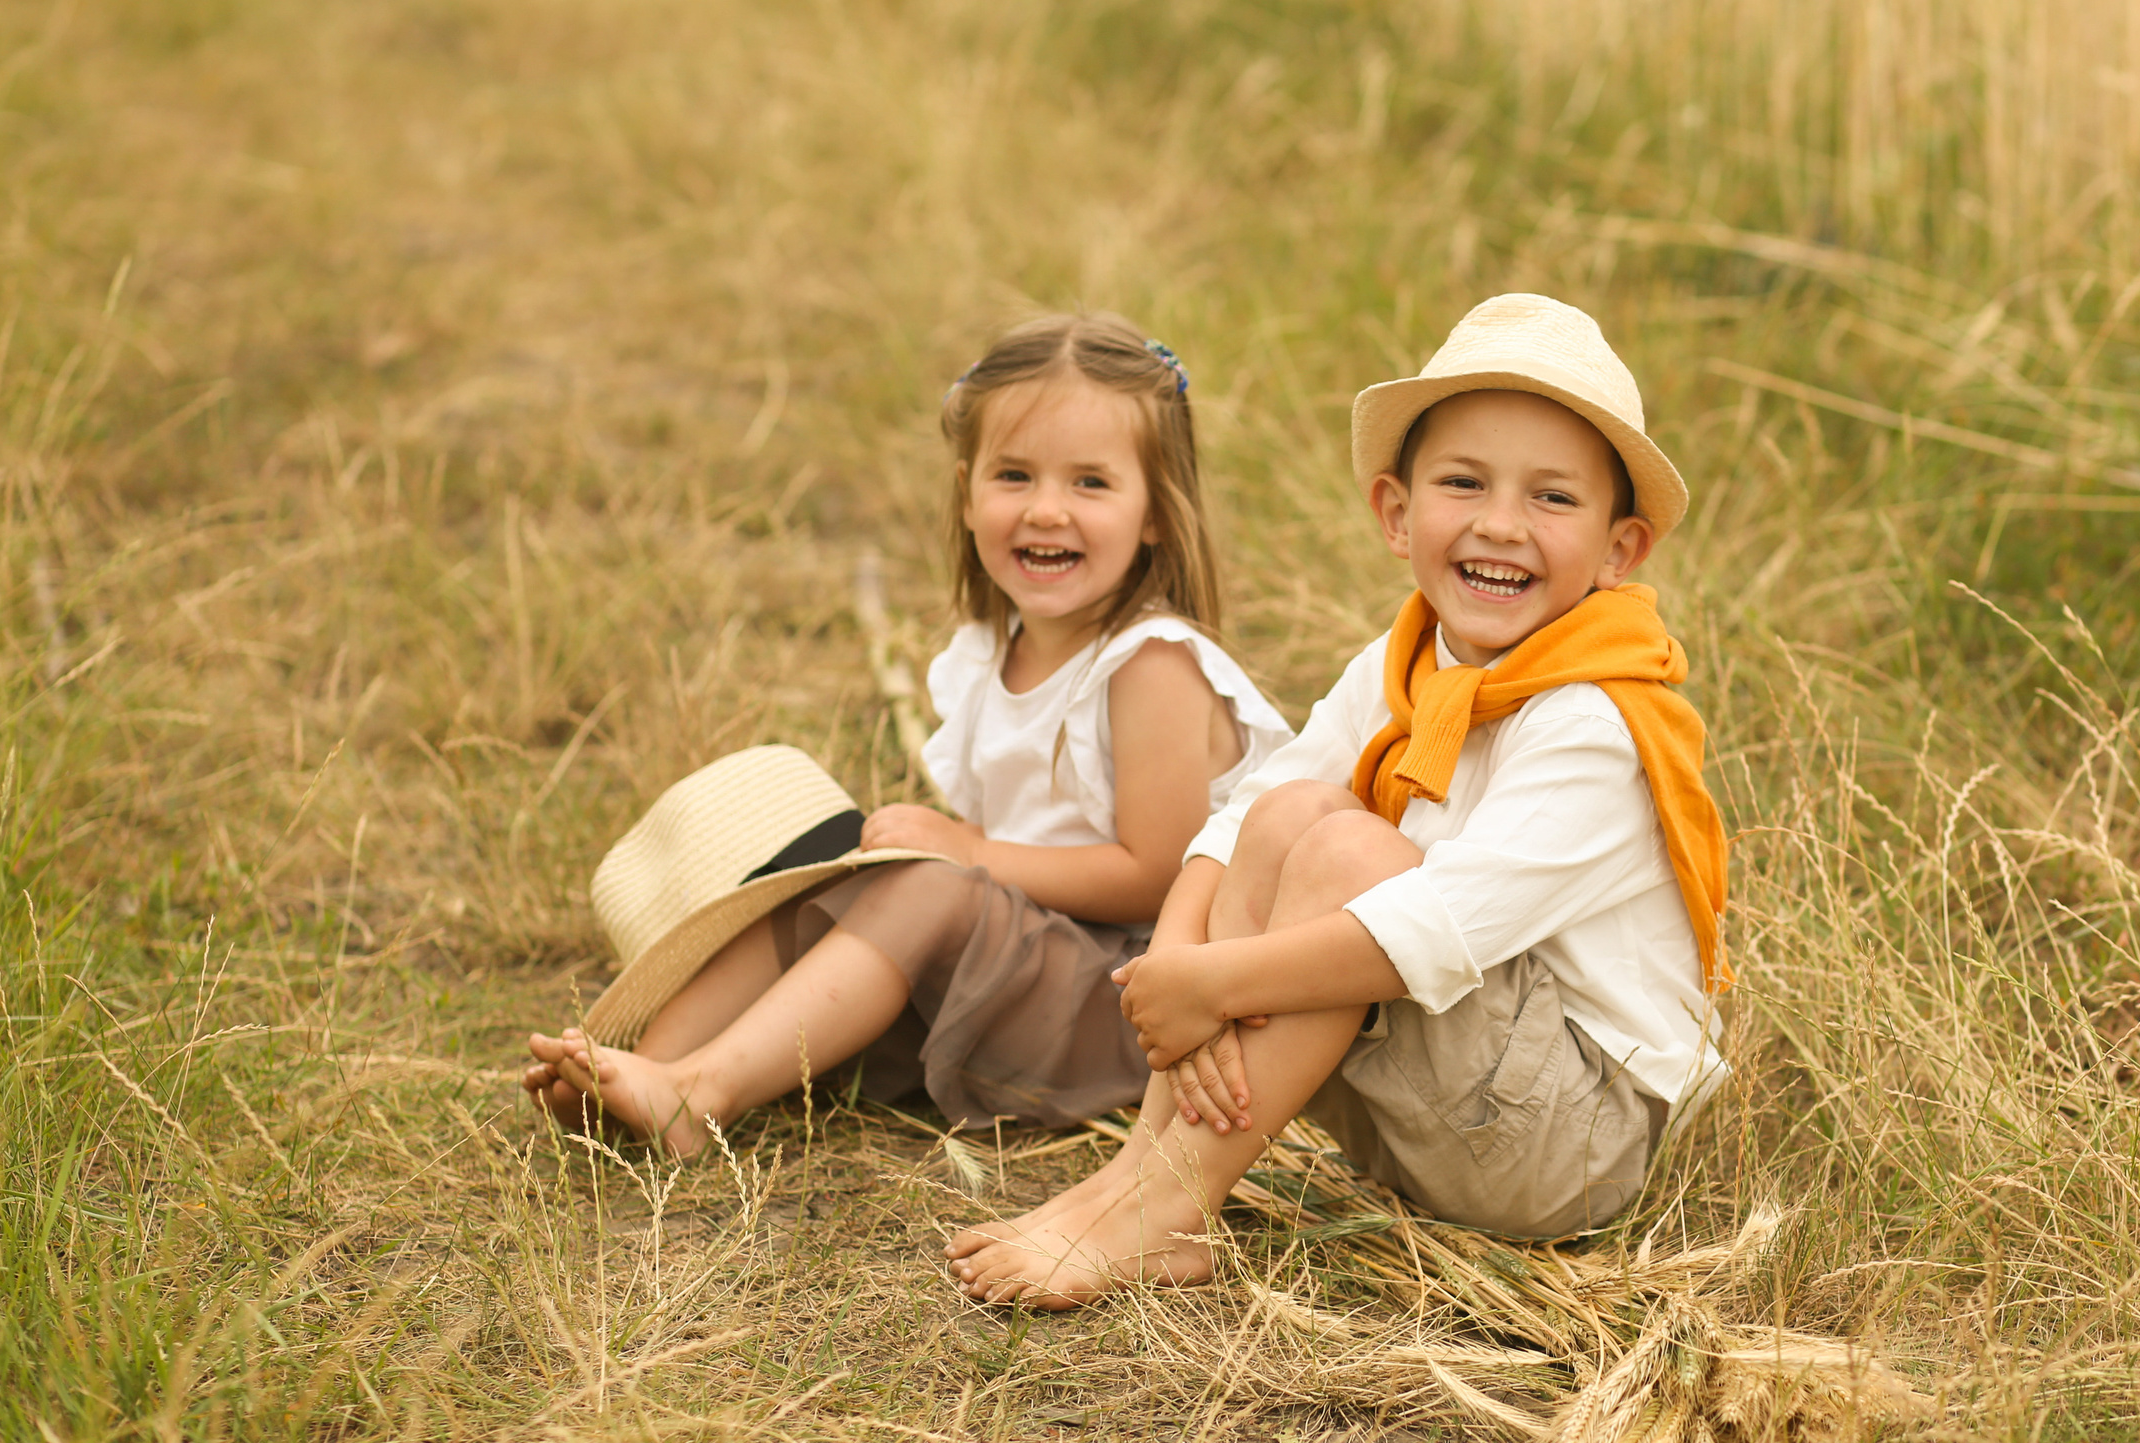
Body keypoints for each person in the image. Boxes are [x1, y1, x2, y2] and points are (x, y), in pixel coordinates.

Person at [946, 293, 1731, 1306]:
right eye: (1462, 483)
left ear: (1620, 551)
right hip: (1443, 1097)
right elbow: (1249, 807)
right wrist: (1180, 949)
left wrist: (1217, 985)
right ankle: (1142, 1186)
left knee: (1353, 859)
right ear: (1396, 515)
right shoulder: (1403, 662)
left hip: (1566, 1145)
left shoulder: (1593, 722)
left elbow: (1434, 933)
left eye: (1551, 499)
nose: (1499, 525)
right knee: (1294, 818)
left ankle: (1162, 1204)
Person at [523, 313, 1290, 1155]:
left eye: (1091, 484)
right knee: (838, 881)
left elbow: (1157, 876)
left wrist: (966, 848)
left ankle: (701, 1092)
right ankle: (638, 1067)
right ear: (966, 494)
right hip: (1033, 965)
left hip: (1129, 1009)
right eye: (1014, 475)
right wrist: (939, 857)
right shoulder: (994, 653)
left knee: (928, 884)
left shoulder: (1151, 667)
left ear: (1155, 513)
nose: (1045, 509)